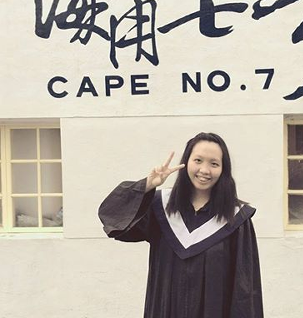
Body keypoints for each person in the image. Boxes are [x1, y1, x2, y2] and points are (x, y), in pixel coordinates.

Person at [98, 132, 264, 318]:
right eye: (198, 160)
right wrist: (147, 185)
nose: (205, 170)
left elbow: (244, 291)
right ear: (186, 163)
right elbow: (115, 220)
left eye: (214, 164)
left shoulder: (236, 219)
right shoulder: (160, 207)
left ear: (223, 170)